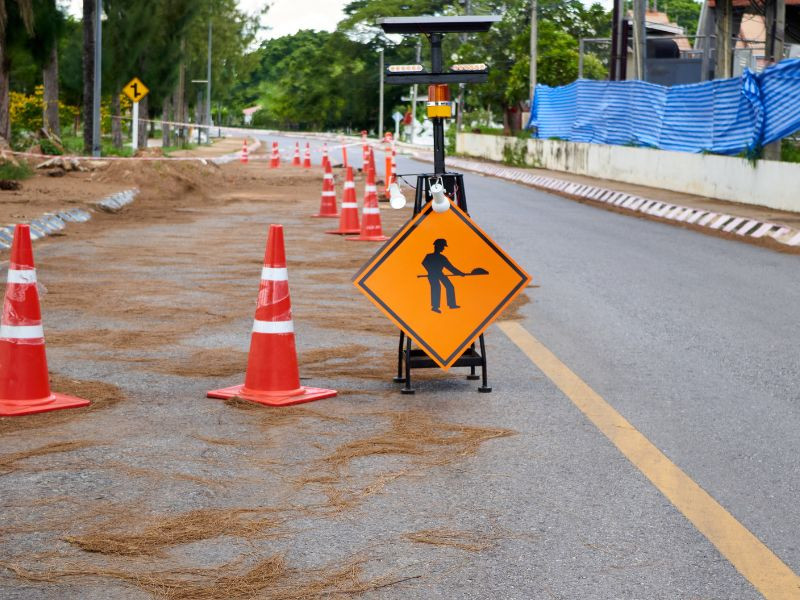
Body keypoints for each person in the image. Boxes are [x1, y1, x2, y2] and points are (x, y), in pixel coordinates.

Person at [421, 239, 465, 313]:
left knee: (449, 286)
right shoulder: (429, 256)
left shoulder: (442, 258)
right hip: (432, 274)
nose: (443, 248)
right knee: (436, 287)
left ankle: (452, 304)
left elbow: (450, 268)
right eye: (442, 246)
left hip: (440, 273)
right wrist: (431, 270)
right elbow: (424, 263)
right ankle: (435, 307)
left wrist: (460, 273)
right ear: (438, 246)